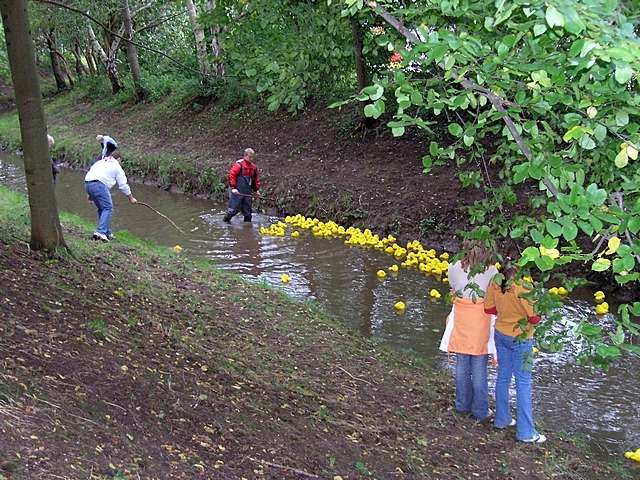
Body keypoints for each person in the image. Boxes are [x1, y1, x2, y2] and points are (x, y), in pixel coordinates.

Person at [484, 246, 546, 443]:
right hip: (522, 340)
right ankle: (526, 432)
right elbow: (534, 318)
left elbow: (489, 309)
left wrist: (506, 311)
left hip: (501, 334)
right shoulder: (524, 287)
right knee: (524, 383)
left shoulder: (496, 281)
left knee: (503, 376)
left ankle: (502, 419)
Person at [439, 240, 498, 421]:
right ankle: (480, 410)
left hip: (461, 320)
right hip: (481, 322)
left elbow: (453, 289)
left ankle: (461, 405)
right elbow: (495, 295)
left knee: (462, 364)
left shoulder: (453, 267)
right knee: (479, 368)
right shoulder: (492, 271)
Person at [84, 151, 137, 242]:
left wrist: (90, 194)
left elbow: (92, 174)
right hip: (99, 185)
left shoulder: (100, 162)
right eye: (121, 161)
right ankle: (100, 232)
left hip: (88, 184)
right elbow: (123, 185)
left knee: (102, 208)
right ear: (119, 159)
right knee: (108, 208)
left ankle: (107, 232)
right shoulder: (117, 167)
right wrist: (131, 198)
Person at [223, 148, 260, 223]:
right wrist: (233, 188)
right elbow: (231, 175)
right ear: (245, 156)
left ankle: (247, 230)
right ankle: (225, 222)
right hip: (236, 191)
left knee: (248, 213)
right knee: (233, 210)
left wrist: (256, 190)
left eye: (253, 157)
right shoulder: (239, 165)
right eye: (250, 157)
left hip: (247, 193)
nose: (252, 159)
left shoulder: (254, 168)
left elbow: (255, 179)